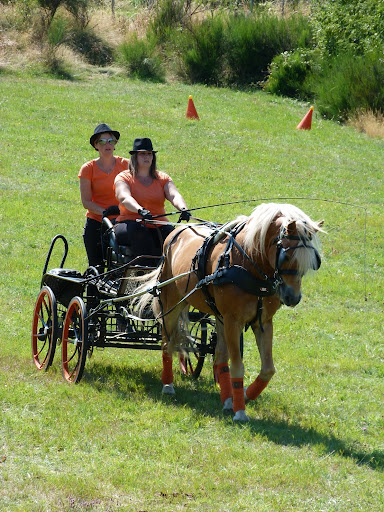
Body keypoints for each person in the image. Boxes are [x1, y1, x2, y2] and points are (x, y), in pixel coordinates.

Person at [114, 137, 191, 264]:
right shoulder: (123, 177)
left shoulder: (163, 178)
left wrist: (183, 208)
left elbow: (174, 195)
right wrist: (140, 210)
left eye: (149, 154)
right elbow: (124, 197)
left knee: (176, 236)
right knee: (141, 232)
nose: (147, 157)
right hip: (129, 223)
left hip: (158, 224)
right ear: (135, 157)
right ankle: (148, 270)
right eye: (142, 154)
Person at [78, 123, 129, 271]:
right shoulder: (88, 169)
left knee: (120, 267)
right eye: (102, 141)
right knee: (97, 268)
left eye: (111, 141)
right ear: (96, 145)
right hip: (96, 223)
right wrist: (106, 213)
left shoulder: (126, 165)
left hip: (121, 222)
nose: (107, 144)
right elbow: (86, 202)